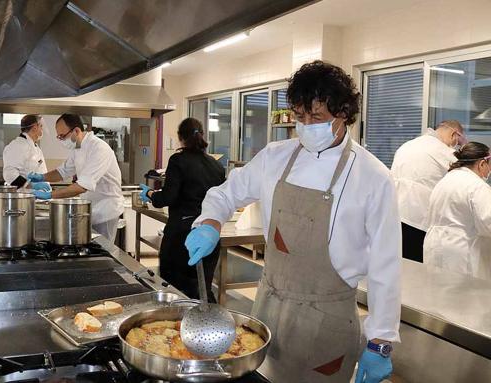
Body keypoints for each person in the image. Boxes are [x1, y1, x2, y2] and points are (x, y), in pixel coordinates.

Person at [185, 61, 401, 383]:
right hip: (270, 308)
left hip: (328, 320)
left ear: (342, 114)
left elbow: (386, 264)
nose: (307, 125)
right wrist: (211, 222)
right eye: (300, 117)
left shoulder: (372, 177)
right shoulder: (276, 157)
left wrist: (380, 340)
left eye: (317, 117)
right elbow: (225, 193)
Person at [139, 118, 225, 302]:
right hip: (208, 235)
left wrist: (152, 194)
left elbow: (168, 197)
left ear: (180, 138)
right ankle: (206, 325)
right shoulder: (216, 165)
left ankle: (177, 328)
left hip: (181, 236)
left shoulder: (178, 160)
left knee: (175, 290)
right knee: (202, 288)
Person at [27, 114, 124, 243]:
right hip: (90, 208)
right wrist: (41, 177)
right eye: (58, 137)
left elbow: (82, 186)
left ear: (76, 131)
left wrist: (50, 195)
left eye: (62, 136)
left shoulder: (99, 148)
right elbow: (62, 172)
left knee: (103, 249)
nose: (60, 140)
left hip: (106, 211)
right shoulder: (78, 148)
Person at [391, 120, 466, 262]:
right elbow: (467, 177)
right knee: (417, 268)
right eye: (458, 141)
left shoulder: (407, 145)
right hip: (417, 218)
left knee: (401, 263)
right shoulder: (443, 151)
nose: (456, 145)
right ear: (454, 134)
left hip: (395, 214)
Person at [424, 142, 491, 280]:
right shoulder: (477, 186)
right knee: (464, 298)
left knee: (438, 295)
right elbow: (488, 224)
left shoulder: (446, 180)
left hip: (435, 247)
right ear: (482, 163)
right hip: (462, 252)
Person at [2, 114, 47, 187]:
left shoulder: (33, 146)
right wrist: (31, 186)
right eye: (41, 126)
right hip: (25, 195)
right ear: (35, 127)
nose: (42, 129)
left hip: (36, 195)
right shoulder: (18, 145)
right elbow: (9, 174)